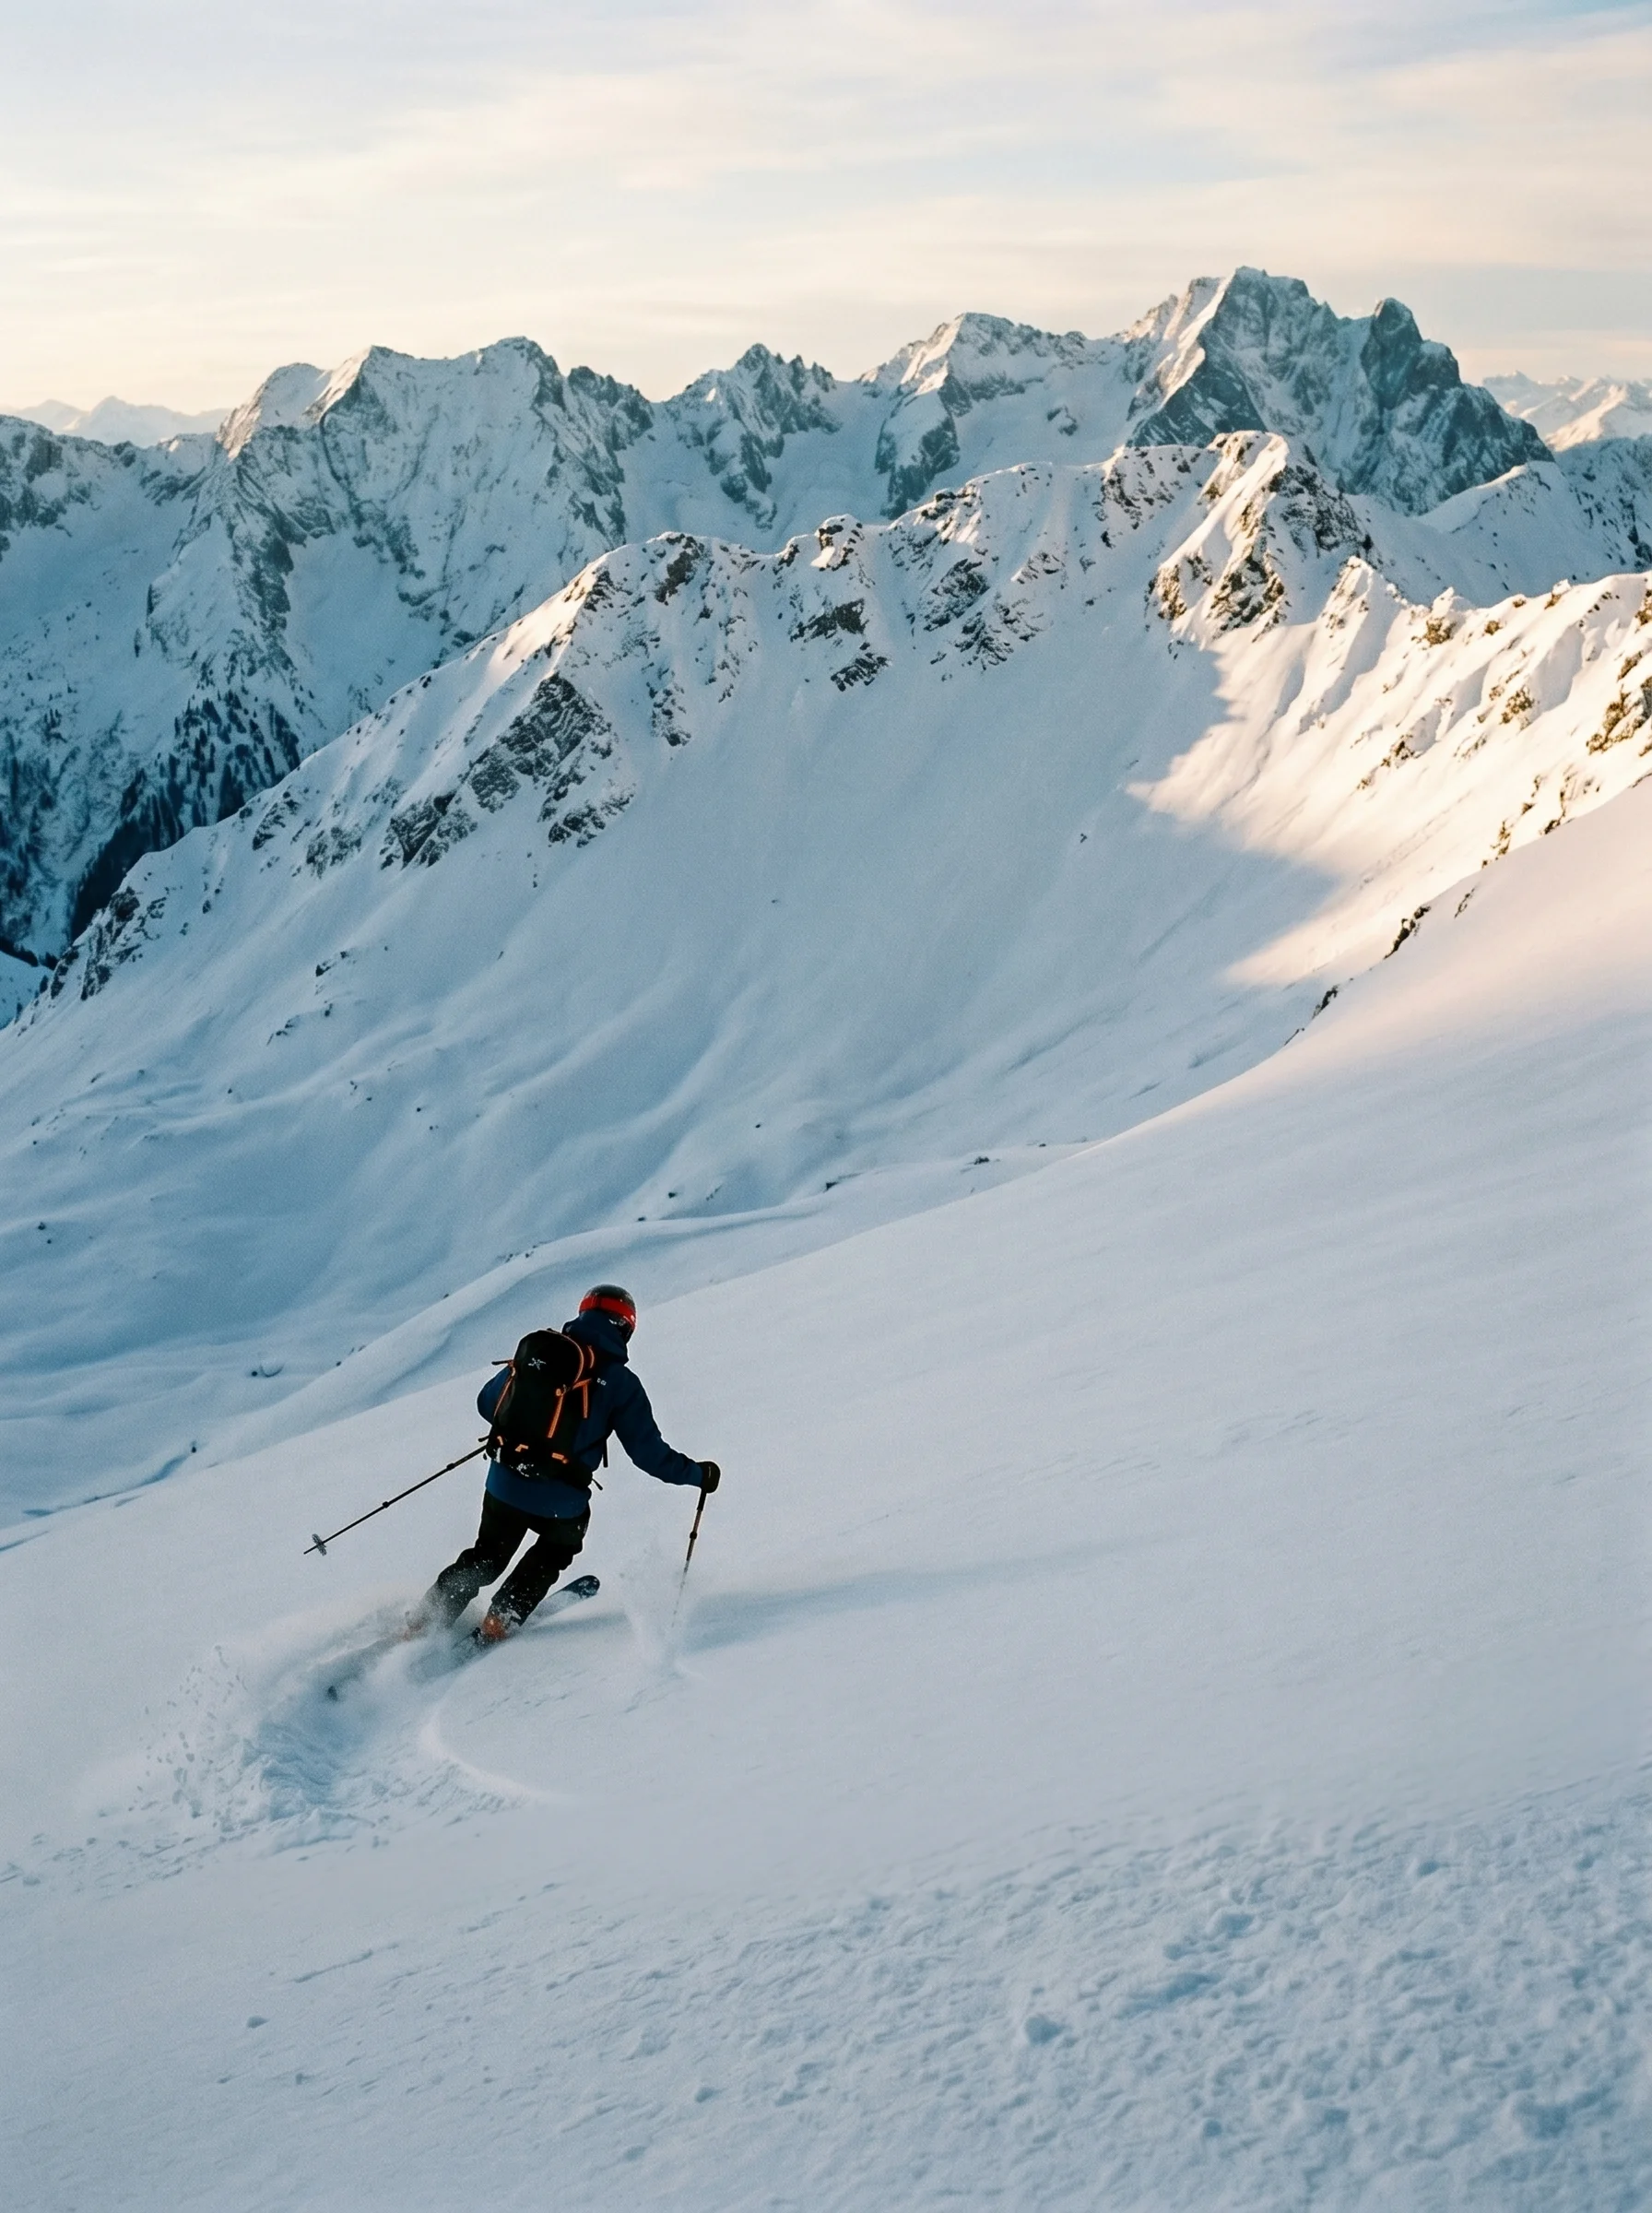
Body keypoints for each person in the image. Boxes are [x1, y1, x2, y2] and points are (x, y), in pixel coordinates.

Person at [417, 1284, 717, 1643]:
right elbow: (649, 1456)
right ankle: (500, 1619)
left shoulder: (539, 1351)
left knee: (486, 1557)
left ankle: (423, 1621)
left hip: (503, 1481)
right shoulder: (621, 1382)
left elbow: (486, 1402)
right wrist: (699, 1474)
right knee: (558, 1546)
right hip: (560, 1500)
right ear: (626, 1328)